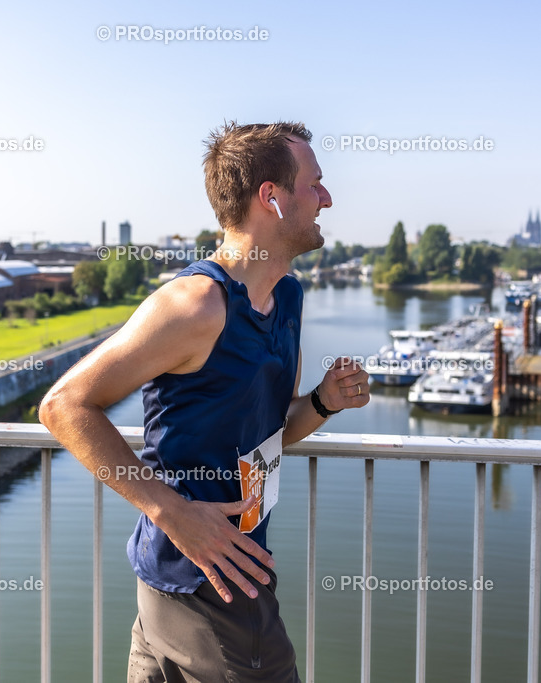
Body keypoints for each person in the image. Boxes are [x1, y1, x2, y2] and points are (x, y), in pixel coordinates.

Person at [39, 121, 370, 682]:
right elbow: (64, 405)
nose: (327, 198)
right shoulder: (195, 305)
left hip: (218, 570)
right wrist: (172, 512)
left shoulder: (285, 295)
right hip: (206, 583)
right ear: (272, 196)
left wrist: (322, 401)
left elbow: (269, 434)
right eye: (315, 184)